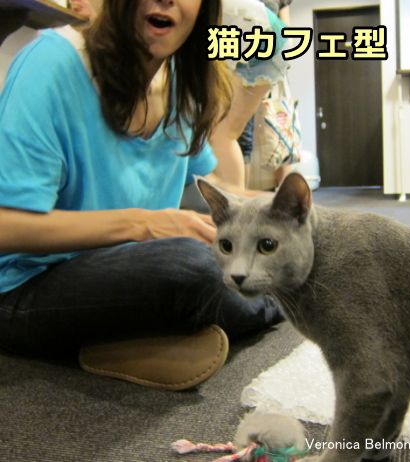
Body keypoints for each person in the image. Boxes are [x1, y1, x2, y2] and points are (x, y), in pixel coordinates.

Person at [0, 0, 283, 390]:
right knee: (192, 266)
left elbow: (207, 190)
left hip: (125, 268)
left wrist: (279, 210)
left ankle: (135, 339)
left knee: (245, 242)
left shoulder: (182, 80)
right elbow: (6, 228)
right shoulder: (50, 64)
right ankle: (279, 302)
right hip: (22, 290)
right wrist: (143, 224)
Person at [211, 0, 294, 191]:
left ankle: (234, 207)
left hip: (243, 27)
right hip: (270, 35)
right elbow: (286, 26)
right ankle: (240, 201)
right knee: (229, 134)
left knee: (220, 134)